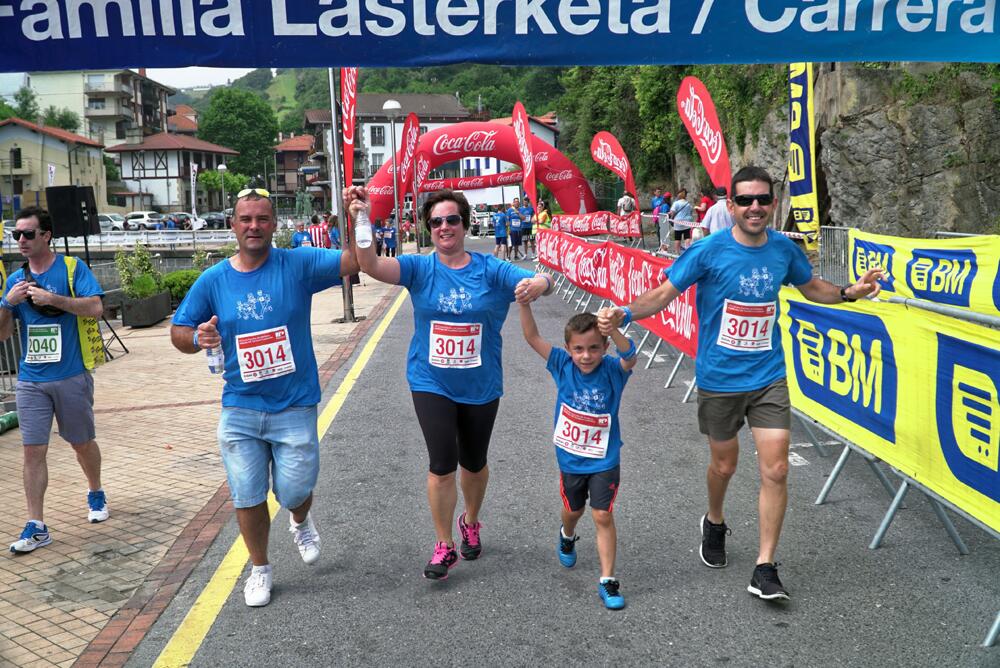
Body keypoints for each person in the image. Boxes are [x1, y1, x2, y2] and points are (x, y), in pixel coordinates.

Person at [597, 166, 885, 602]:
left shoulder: (784, 250)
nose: (755, 207)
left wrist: (849, 292)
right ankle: (714, 520)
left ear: (774, 204)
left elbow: (812, 288)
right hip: (720, 379)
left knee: (777, 468)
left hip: (768, 376)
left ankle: (765, 567)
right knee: (725, 466)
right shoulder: (708, 251)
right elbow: (662, 295)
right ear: (729, 206)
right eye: (745, 200)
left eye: (763, 200)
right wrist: (625, 313)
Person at [345, 186, 554, 581]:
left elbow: (541, 281)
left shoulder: (491, 269)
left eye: (452, 219)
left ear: (464, 223)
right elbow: (370, 265)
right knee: (441, 464)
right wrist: (362, 217)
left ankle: (470, 521)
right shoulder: (421, 269)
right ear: (429, 227)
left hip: (480, 383)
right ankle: (443, 544)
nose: (444, 227)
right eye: (436, 221)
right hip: (430, 380)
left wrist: (540, 284)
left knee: (473, 463)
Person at [170, 189, 360, 607]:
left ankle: (300, 517)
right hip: (240, 405)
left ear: (275, 224)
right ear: (232, 225)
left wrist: (354, 217)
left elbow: (354, 261)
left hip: (294, 404)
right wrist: (197, 338)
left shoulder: (299, 264)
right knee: (247, 493)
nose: (253, 226)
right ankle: (260, 568)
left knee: (294, 490)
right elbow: (178, 332)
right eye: (245, 219)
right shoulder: (214, 279)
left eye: (262, 219)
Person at [1, 207, 108, 554]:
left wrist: (53, 300)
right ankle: (37, 525)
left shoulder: (73, 268)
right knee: (33, 451)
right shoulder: (14, 280)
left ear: (46, 235)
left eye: (28, 234)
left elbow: (95, 308)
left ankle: (95, 490)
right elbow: (2, 335)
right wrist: (7, 303)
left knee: (81, 443)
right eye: (16, 235)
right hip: (31, 379)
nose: (21, 241)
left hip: (71, 375)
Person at [519, 307, 637, 609]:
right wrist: (524, 304)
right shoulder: (562, 365)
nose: (586, 356)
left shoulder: (612, 370)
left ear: (605, 347)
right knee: (573, 510)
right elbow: (532, 337)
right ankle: (567, 534)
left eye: (594, 348)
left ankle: (608, 580)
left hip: (604, 459)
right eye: (579, 349)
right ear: (569, 349)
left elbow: (630, 356)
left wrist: (612, 329)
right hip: (571, 459)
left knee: (602, 515)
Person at [667, 188, 695, 254]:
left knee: (677, 238)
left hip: (678, 223)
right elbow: (690, 212)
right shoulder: (688, 203)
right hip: (687, 223)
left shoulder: (676, 203)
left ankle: (677, 253)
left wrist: (670, 216)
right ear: (685, 195)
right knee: (687, 237)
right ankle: (688, 252)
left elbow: (672, 212)